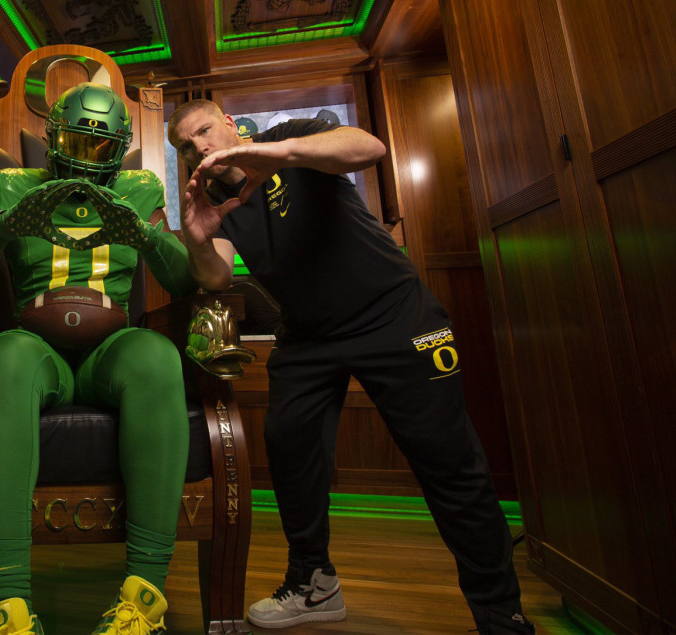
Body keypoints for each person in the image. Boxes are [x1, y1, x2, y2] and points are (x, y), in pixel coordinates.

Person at [168, 99, 534, 634]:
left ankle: (502, 615)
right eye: (185, 145)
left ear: (228, 122)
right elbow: (218, 278)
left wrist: (281, 152)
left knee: (449, 463)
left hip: (392, 315)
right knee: (290, 449)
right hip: (309, 335)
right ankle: (313, 584)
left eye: (203, 131)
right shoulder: (212, 197)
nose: (198, 147)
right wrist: (197, 241)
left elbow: (368, 148)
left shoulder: (290, 135)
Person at [0, 82, 198, 635]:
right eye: (78, 142)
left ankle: (144, 600)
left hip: (111, 349)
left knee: (157, 356)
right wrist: (2, 225)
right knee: (3, 360)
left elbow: (182, 279)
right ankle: (8, 604)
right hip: (36, 344)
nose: (87, 157)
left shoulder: (140, 186)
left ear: (120, 146)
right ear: (54, 139)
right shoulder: (12, 183)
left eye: (102, 147)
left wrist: (142, 232)